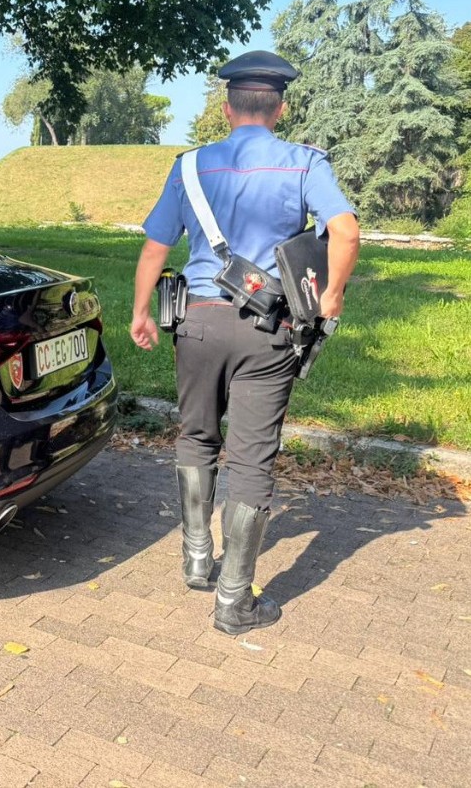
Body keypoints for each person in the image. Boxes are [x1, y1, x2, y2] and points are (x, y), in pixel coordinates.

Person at [129, 50, 360, 635]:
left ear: (227, 107)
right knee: (252, 457)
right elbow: (346, 231)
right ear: (280, 106)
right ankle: (234, 602)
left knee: (196, 433)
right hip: (268, 330)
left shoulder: (189, 167)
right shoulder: (304, 164)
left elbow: (156, 247)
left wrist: (140, 312)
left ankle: (196, 558)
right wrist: (330, 297)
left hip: (198, 322)